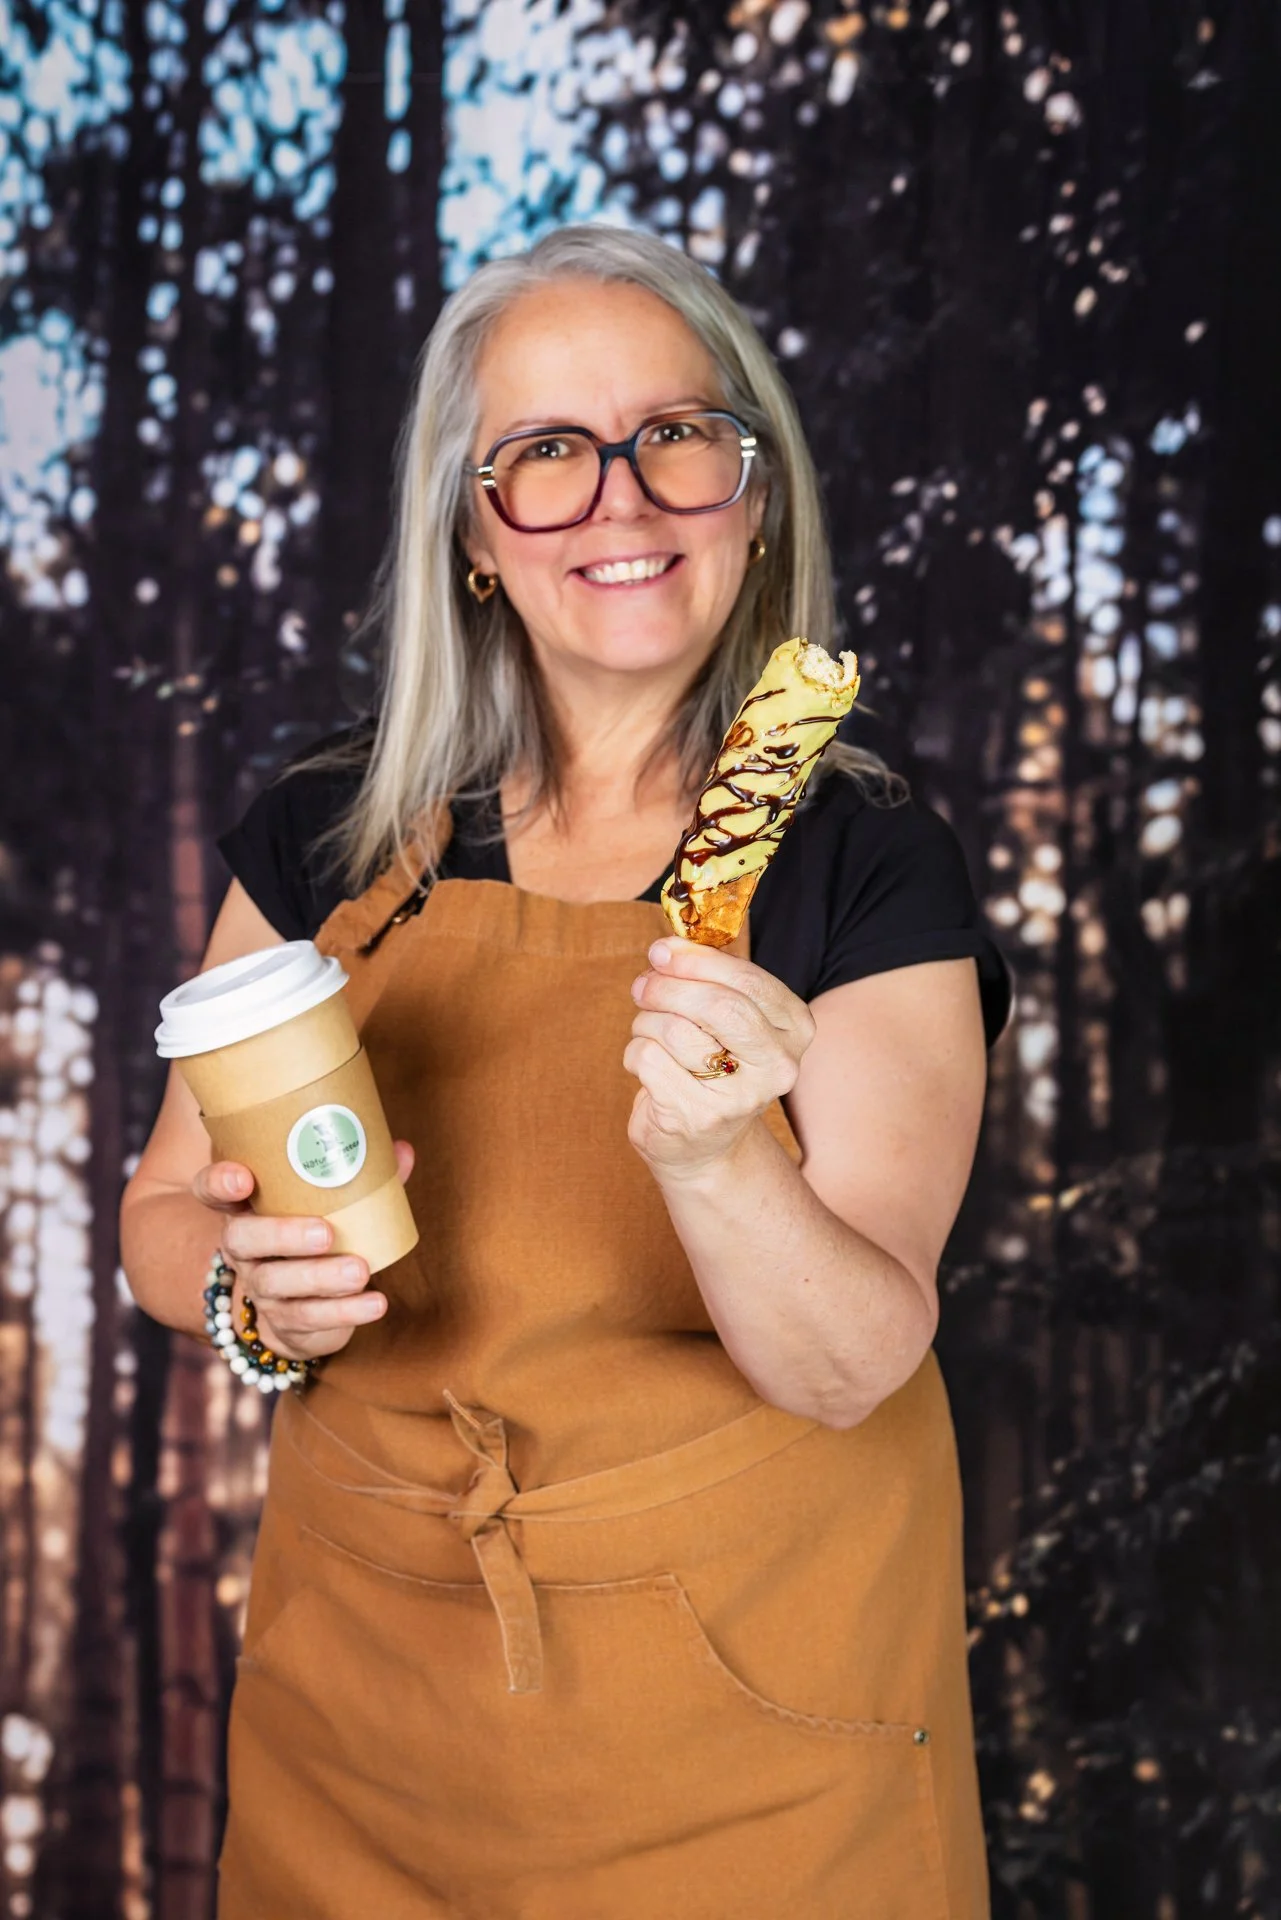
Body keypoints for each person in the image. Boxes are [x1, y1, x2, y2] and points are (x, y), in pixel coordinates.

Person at [120, 224, 1008, 1918]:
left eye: (676, 436)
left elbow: (849, 1365)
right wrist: (249, 1295)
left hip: (761, 1746)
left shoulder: (866, 865)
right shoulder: (330, 835)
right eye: (544, 455)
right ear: (472, 527)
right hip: (364, 1718)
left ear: (754, 496)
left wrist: (719, 1157)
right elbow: (166, 1211)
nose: (622, 501)